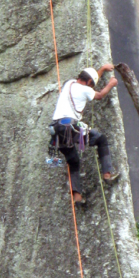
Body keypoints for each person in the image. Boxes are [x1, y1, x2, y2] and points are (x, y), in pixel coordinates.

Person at [51, 63, 119, 205]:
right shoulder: (85, 90)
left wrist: (100, 70)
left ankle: (77, 197)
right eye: (90, 85)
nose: (90, 87)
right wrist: (111, 84)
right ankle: (107, 175)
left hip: (57, 129)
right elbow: (99, 95)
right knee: (101, 139)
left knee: (73, 161)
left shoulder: (69, 83)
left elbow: (90, 82)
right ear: (88, 83)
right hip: (70, 126)